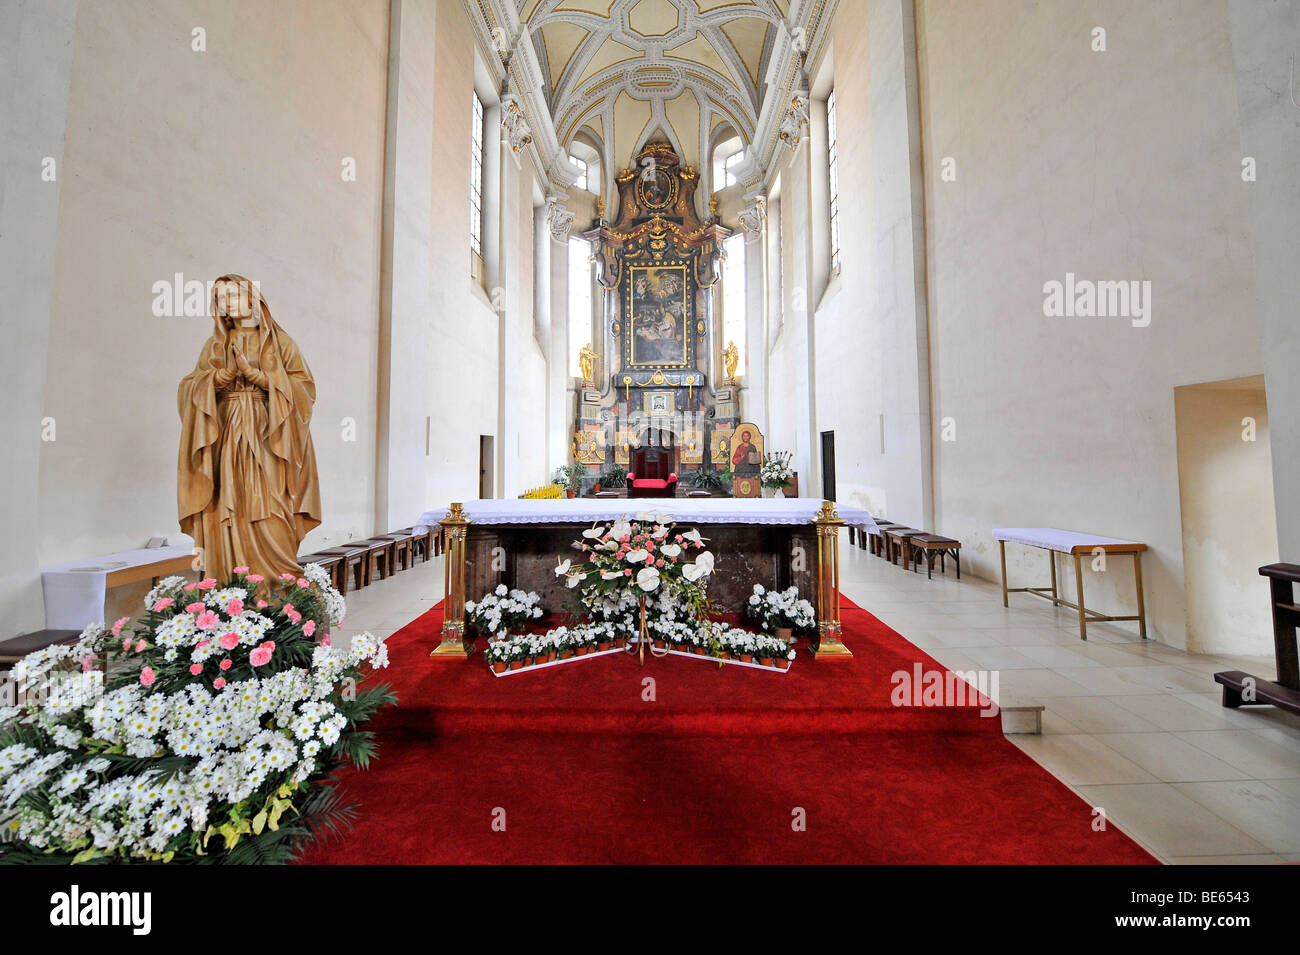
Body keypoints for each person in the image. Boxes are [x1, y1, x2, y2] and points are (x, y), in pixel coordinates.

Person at [177, 275, 321, 582]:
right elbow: (189, 387)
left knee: (272, 503)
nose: (226, 303)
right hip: (227, 434)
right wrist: (222, 376)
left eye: (233, 295)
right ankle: (232, 585)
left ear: (253, 298)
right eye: (220, 298)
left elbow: (304, 388)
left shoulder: (280, 343)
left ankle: (278, 583)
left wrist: (257, 377)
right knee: (229, 504)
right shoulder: (215, 345)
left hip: (269, 435)